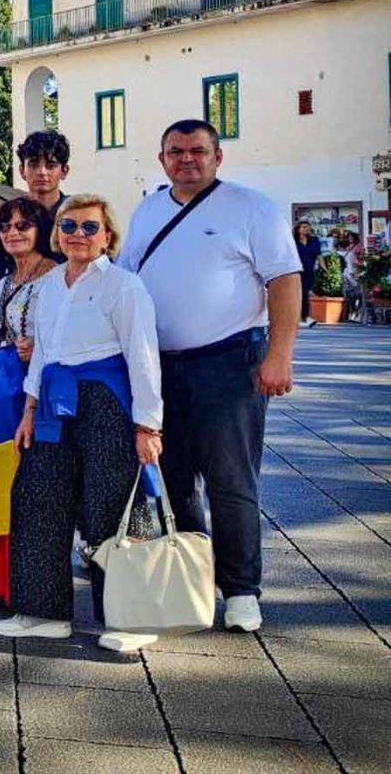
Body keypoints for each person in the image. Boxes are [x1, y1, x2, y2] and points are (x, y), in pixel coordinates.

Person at [119, 119, 300, 634]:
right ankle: (195, 581)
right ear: (162, 160)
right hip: (161, 367)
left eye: (198, 151)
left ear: (218, 157)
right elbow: (127, 282)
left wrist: (280, 355)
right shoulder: (149, 209)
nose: (186, 159)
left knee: (230, 482)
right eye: (175, 152)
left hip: (230, 361)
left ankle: (242, 590)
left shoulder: (251, 207)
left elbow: (284, 281)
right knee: (171, 482)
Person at [0, 195, 165, 653]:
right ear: (58, 234)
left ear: (107, 235)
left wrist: (148, 427)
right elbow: (44, 352)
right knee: (39, 496)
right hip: (53, 398)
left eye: (90, 228)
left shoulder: (124, 287)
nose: (78, 235)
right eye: (69, 226)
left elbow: (143, 359)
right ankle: (44, 611)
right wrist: (28, 411)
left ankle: (130, 619)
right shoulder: (50, 285)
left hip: (107, 401)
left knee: (110, 506)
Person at [0, 198, 57, 354]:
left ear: (41, 230)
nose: (12, 233)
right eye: (5, 227)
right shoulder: (1, 285)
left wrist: (36, 350)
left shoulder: (59, 279)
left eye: (23, 226)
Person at [0, 131, 71, 276]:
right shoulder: (7, 219)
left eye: (51, 165)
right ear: (21, 170)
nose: (42, 172)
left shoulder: (76, 218)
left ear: (64, 171)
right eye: (33, 164)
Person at [294, 220, 321, 327]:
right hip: (297, 270)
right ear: (298, 229)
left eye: (307, 227)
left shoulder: (314, 240)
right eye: (304, 227)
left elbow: (319, 255)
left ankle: (303, 317)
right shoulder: (293, 241)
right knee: (302, 293)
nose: (306, 229)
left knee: (306, 293)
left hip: (310, 270)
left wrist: (324, 269)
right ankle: (303, 317)